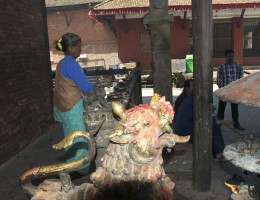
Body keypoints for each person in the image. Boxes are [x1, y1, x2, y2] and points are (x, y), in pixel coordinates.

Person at [53, 33, 94, 175]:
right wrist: (99, 90)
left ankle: (72, 167)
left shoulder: (62, 63)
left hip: (62, 106)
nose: (81, 49)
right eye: (79, 46)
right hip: (72, 106)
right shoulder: (71, 64)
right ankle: (79, 172)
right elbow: (85, 87)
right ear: (70, 48)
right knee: (79, 138)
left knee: (69, 136)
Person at [174, 96, 232, 160]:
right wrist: (221, 122)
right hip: (184, 131)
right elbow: (203, 120)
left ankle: (218, 152)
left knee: (213, 123)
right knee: (213, 127)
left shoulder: (189, 99)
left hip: (184, 127)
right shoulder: (195, 102)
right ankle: (219, 153)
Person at [217, 49, 245, 130]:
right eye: (229, 56)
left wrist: (238, 89)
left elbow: (241, 79)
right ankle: (218, 124)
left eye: (232, 56)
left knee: (235, 110)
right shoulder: (221, 67)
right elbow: (219, 80)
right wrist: (222, 89)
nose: (231, 58)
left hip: (234, 92)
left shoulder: (238, 66)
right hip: (224, 92)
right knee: (221, 109)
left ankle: (236, 124)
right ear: (225, 57)